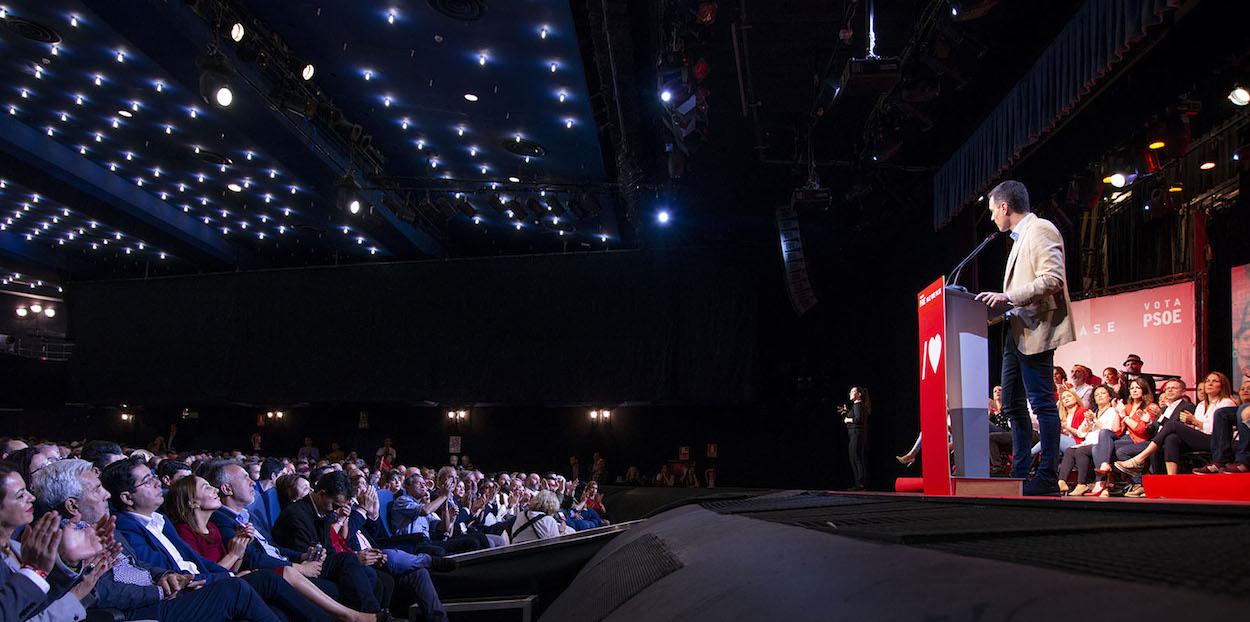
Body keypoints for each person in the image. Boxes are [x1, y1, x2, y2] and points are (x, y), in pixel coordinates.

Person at [29, 458, 284, 621]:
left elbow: (138, 565)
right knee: (235, 590)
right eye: (97, 489)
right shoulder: (64, 540)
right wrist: (160, 590)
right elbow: (100, 592)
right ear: (72, 505)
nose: (106, 494)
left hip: (161, 593)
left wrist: (164, 576)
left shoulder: (103, 524)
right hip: (135, 611)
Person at [101, 457, 328, 622]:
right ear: (126, 497)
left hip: (205, 580)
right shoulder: (126, 526)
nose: (157, 483)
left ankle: (344, 616)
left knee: (266, 584)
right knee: (241, 587)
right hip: (185, 591)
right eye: (148, 481)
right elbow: (163, 570)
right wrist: (225, 572)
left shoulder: (160, 520)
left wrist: (227, 573)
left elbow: (195, 559)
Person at [975, 180, 1076, 495]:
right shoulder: (1019, 239)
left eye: (993, 211)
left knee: (1042, 404)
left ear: (1005, 207)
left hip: (1035, 331)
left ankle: (1046, 476)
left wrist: (1007, 298)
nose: (992, 218)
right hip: (1014, 333)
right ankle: (1019, 475)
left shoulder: (1041, 229)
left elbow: (1053, 279)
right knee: (1013, 407)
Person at [0, 462, 112, 622]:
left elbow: (31, 606)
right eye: (20, 495)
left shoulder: (15, 547)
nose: (31, 498)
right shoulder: (37, 542)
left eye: (27, 490)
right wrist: (34, 571)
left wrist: (67, 563)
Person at [1118, 372, 1238, 476]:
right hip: (1193, 439)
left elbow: (1218, 430)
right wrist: (1149, 421)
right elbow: (1190, 428)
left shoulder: (1225, 403)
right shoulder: (1201, 405)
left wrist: (1194, 422)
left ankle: (1140, 459)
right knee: (1171, 438)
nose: (1209, 384)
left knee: (1172, 426)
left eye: (1215, 381)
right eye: (1207, 381)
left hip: (1215, 441)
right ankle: (1171, 479)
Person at [508, 490, 573, 544]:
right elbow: (555, 544)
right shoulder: (549, 520)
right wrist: (562, 531)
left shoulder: (521, 514)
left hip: (517, 552)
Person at [839, 386, 870, 490]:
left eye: (852, 391)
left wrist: (847, 419)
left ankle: (860, 484)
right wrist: (847, 411)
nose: (850, 394)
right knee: (855, 458)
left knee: (856, 458)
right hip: (856, 434)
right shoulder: (857, 406)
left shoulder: (858, 404)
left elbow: (858, 419)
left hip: (856, 434)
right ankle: (859, 483)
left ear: (859, 394)